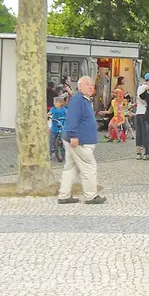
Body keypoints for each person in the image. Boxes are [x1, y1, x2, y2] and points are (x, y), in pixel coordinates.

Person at [58, 76, 106, 204]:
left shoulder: (83, 100)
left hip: (78, 139)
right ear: (79, 86)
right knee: (89, 167)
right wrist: (73, 135)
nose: (91, 87)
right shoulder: (78, 100)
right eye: (87, 84)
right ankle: (91, 196)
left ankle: (64, 195)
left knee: (71, 168)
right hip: (79, 141)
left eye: (92, 85)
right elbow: (72, 119)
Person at [135, 73, 149, 159]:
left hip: (138, 113)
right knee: (145, 133)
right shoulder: (145, 87)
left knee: (139, 133)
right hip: (144, 113)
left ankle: (138, 153)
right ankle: (144, 153)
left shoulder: (139, 87)